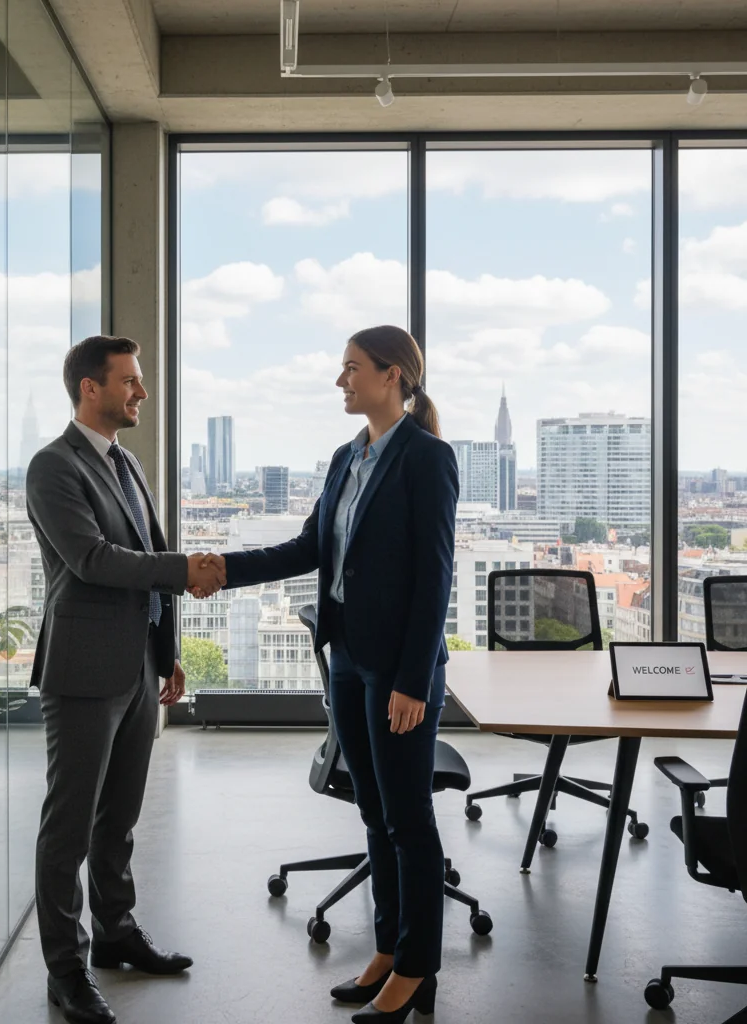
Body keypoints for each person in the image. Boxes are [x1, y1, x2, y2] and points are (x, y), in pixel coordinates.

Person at [196, 325, 458, 1023]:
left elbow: (436, 581)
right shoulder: (347, 458)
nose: (341, 382)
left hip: (398, 671)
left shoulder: (428, 460)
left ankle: (417, 968)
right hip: (348, 660)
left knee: (410, 820)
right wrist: (224, 571)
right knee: (374, 814)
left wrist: (413, 680)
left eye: (352, 369)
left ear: (394, 375)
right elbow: (311, 547)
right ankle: (387, 949)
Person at [26, 334, 226, 1024]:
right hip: (83, 672)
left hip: (138, 664)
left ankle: (115, 934)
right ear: (91, 387)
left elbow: (150, 550)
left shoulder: (126, 463)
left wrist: (166, 648)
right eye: (130, 381)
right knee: (69, 829)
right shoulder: (53, 467)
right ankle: (65, 973)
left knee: (120, 818)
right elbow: (92, 559)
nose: (141, 392)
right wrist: (184, 571)